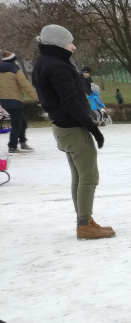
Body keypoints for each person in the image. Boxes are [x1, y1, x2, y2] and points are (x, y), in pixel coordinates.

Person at [30, 24, 113, 239]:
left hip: (62, 127)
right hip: (73, 128)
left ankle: (83, 220)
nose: (73, 47)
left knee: (78, 176)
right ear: (58, 44)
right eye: (70, 42)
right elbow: (70, 102)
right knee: (89, 176)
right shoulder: (58, 66)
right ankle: (85, 225)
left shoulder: (44, 63)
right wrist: (93, 128)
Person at [0, 51, 37, 154]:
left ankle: (23, 142)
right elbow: (26, 86)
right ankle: (12, 146)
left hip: (3, 101)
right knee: (17, 124)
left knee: (22, 122)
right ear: (13, 60)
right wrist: (36, 98)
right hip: (15, 101)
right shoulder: (16, 71)